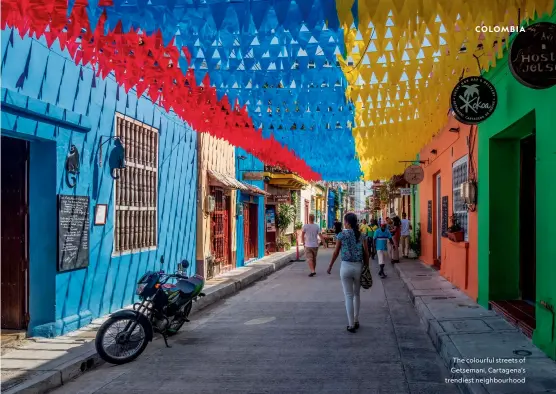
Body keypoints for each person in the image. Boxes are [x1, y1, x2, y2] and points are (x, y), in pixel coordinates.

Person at [327, 213, 370, 333]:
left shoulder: (342, 235)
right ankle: (356, 320)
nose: (344, 223)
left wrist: (330, 266)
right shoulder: (362, 235)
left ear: (348, 223)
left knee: (348, 296)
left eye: (345, 221)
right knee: (356, 294)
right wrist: (366, 267)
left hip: (345, 267)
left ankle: (351, 324)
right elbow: (366, 254)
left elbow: (335, 252)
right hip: (358, 266)